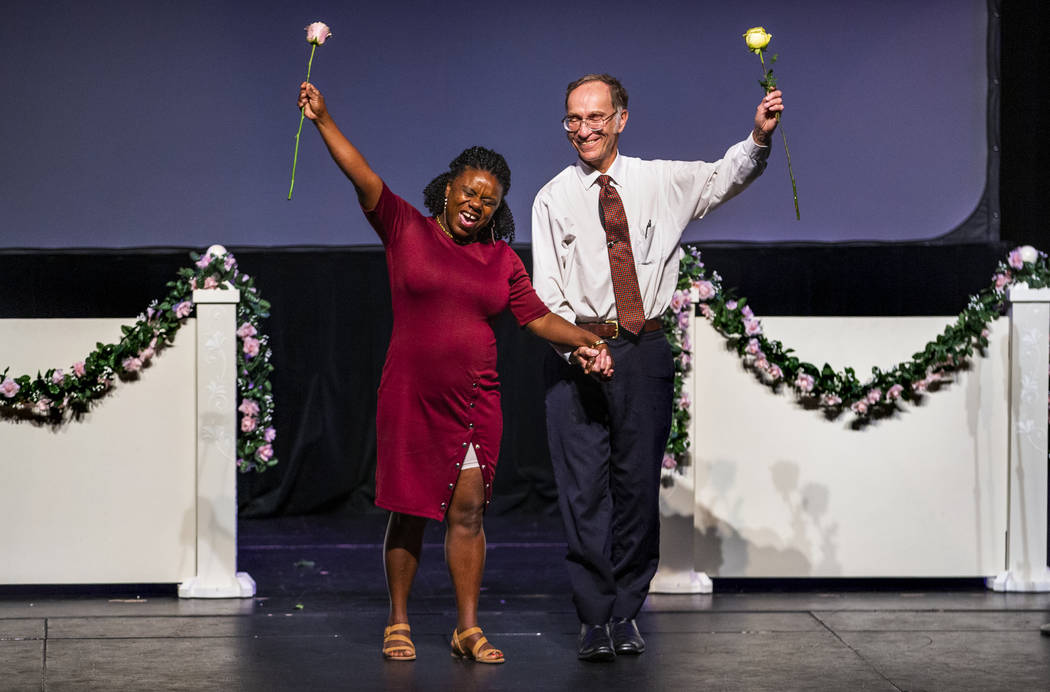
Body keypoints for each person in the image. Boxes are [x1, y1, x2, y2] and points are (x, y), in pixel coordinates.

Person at [297, 81, 614, 665]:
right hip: (411, 396)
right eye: (470, 192)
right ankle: (399, 619)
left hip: (473, 401)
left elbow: (538, 318)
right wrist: (322, 119)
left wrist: (586, 341)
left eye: (490, 200)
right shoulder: (405, 230)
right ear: (447, 190)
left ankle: (467, 627)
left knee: (468, 511)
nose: (478, 204)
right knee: (410, 509)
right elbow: (362, 174)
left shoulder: (500, 260)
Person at [531, 73, 783, 661]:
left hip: (641, 350)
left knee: (636, 489)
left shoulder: (660, 180)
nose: (584, 129)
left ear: (621, 118)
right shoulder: (552, 197)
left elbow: (726, 175)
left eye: (596, 117)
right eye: (574, 119)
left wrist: (758, 137)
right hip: (576, 350)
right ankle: (594, 616)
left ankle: (625, 610)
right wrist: (577, 348)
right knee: (582, 493)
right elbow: (546, 294)